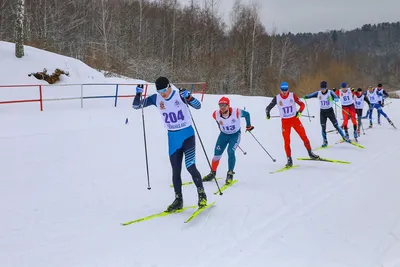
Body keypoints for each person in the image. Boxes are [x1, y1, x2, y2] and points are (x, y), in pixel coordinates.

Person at [132, 76, 207, 212]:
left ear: (169, 86)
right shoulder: (156, 98)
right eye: (159, 91)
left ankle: (201, 194)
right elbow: (137, 106)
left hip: (187, 135)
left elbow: (198, 106)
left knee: (190, 166)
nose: (162, 94)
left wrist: (189, 97)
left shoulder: (179, 94)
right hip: (173, 138)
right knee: (175, 170)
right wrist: (138, 94)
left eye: (164, 90)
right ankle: (178, 199)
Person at [265, 81, 319, 167]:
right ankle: (289, 159)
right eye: (283, 90)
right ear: (280, 89)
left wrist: (300, 112)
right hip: (285, 122)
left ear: (288, 89)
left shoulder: (292, 95)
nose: (284, 91)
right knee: (287, 141)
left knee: (304, 136)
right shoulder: (277, 98)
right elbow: (268, 108)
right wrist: (267, 113)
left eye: (285, 90)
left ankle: (310, 153)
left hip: (295, 120)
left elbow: (302, 105)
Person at [202, 97, 254, 185]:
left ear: (228, 105)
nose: (222, 107)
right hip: (223, 135)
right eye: (220, 105)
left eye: (224, 105)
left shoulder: (236, 112)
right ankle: (212, 173)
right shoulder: (215, 114)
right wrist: (220, 127)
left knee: (230, 151)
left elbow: (247, 114)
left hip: (235, 135)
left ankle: (230, 173)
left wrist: (248, 126)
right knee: (216, 154)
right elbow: (217, 121)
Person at [303, 81, 350, 147]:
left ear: (326, 88)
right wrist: (306, 97)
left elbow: (337, 98)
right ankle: (325, 141)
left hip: (330, 111)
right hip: (323, 112)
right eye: (322, 89)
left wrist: (332, 99)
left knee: (336, 125)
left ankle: (344, 137)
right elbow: (311, 95)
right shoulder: (318, 93)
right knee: (323, 127)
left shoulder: (330, 92)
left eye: (324, 89)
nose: (323, 90)